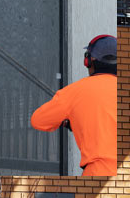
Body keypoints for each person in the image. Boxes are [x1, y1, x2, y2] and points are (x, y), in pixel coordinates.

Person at [30, 34, 118, 176]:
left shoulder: (74, 92)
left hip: (98, 174)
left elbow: (38, 120)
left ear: (89, 61)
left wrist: (68, 120)